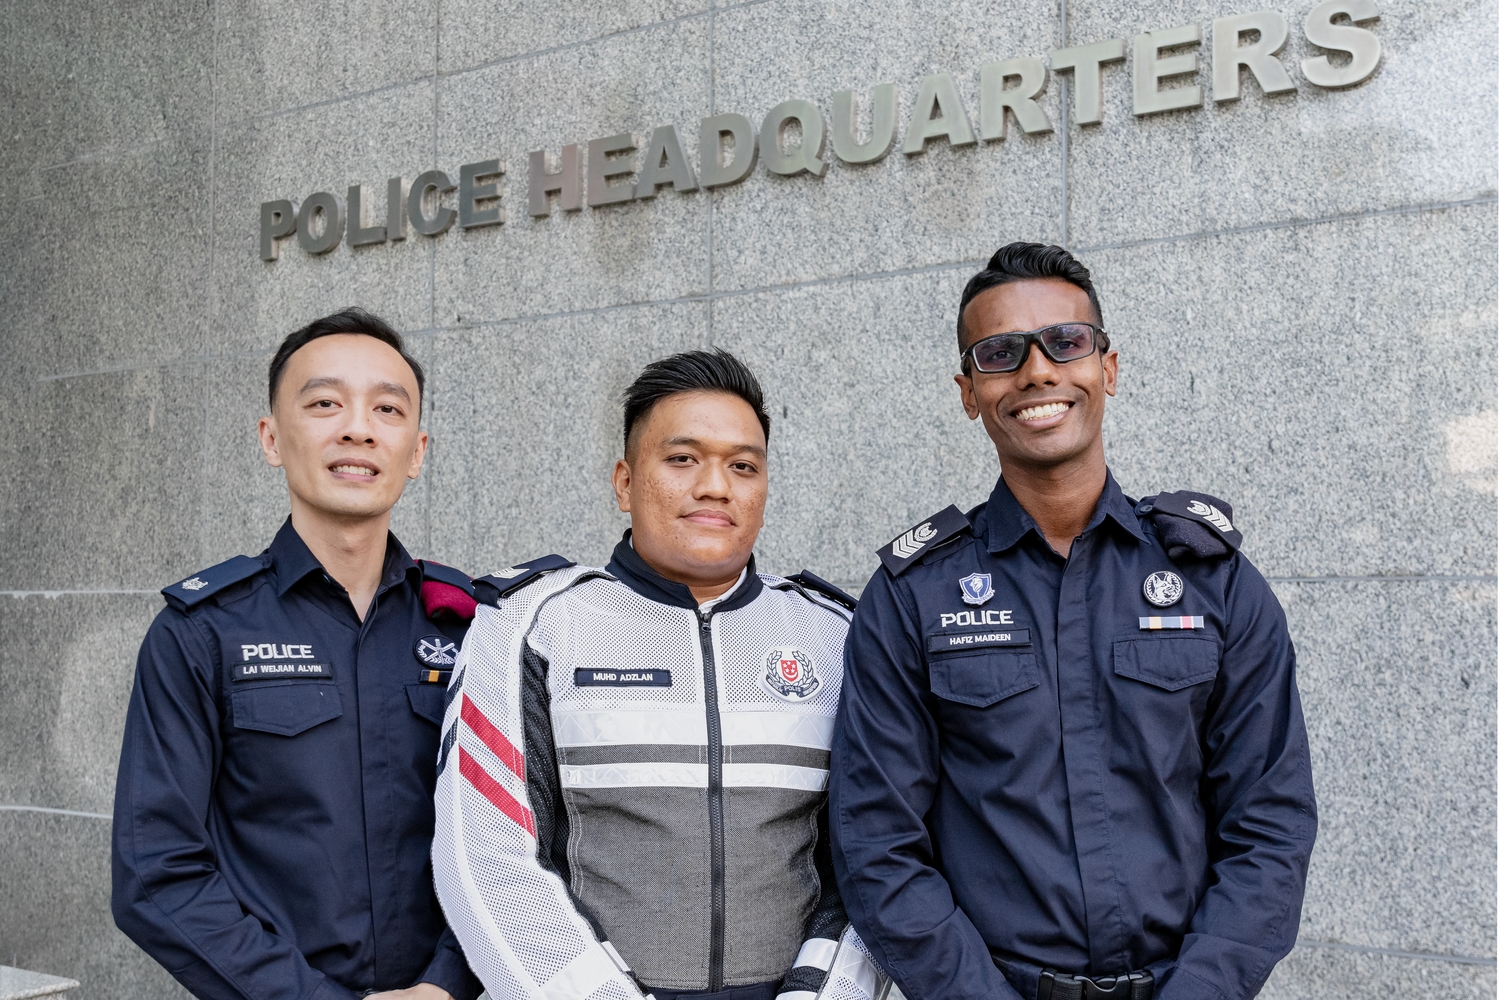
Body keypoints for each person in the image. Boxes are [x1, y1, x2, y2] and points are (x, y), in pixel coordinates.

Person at [830, 243, 1317, 1000]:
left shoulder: (1213, 584)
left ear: (1108, 370)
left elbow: (1270, 827)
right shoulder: (911, 597)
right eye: (1001, 353)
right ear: (968, 392)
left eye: (1067, 341)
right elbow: (877, 844)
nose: (1037, 371)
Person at [432, 349, 885, 1000]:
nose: (715, 485)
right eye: (682, 459)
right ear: (624, 481)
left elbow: (875, 857)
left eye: (743, 466)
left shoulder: (838, 636)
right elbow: (486, 857)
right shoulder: (532, 626)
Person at [111, 309, 483, 1000]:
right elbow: (156, 872)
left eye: (387, 409)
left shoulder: (471, 630)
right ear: (272, 438)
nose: (358, 428)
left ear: (418, 450)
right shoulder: (201, 633)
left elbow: (512, 838)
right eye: (324, 404)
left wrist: (447, 983)